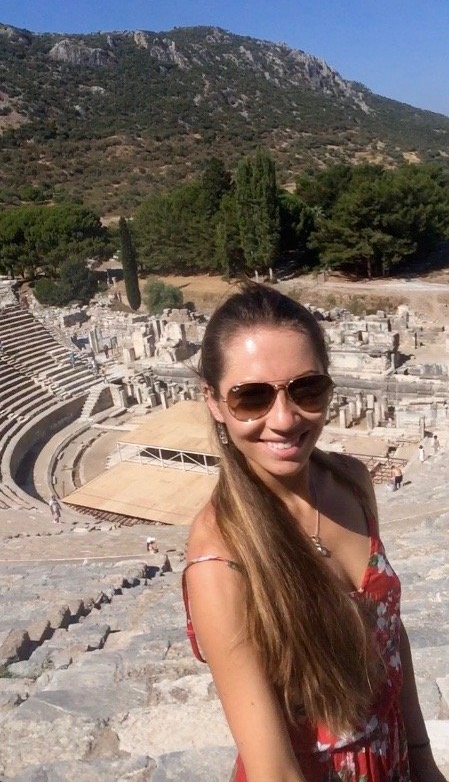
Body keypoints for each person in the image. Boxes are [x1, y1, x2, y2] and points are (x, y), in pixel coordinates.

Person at [183, 283, 445, 782]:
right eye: (251, 397)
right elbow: (275, 772)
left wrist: (422, 758)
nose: (284, 419)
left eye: (306, 389)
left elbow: (390, 635)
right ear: (213, 401)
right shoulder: (220, 561)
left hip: (393, 758)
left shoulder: (353, 482)